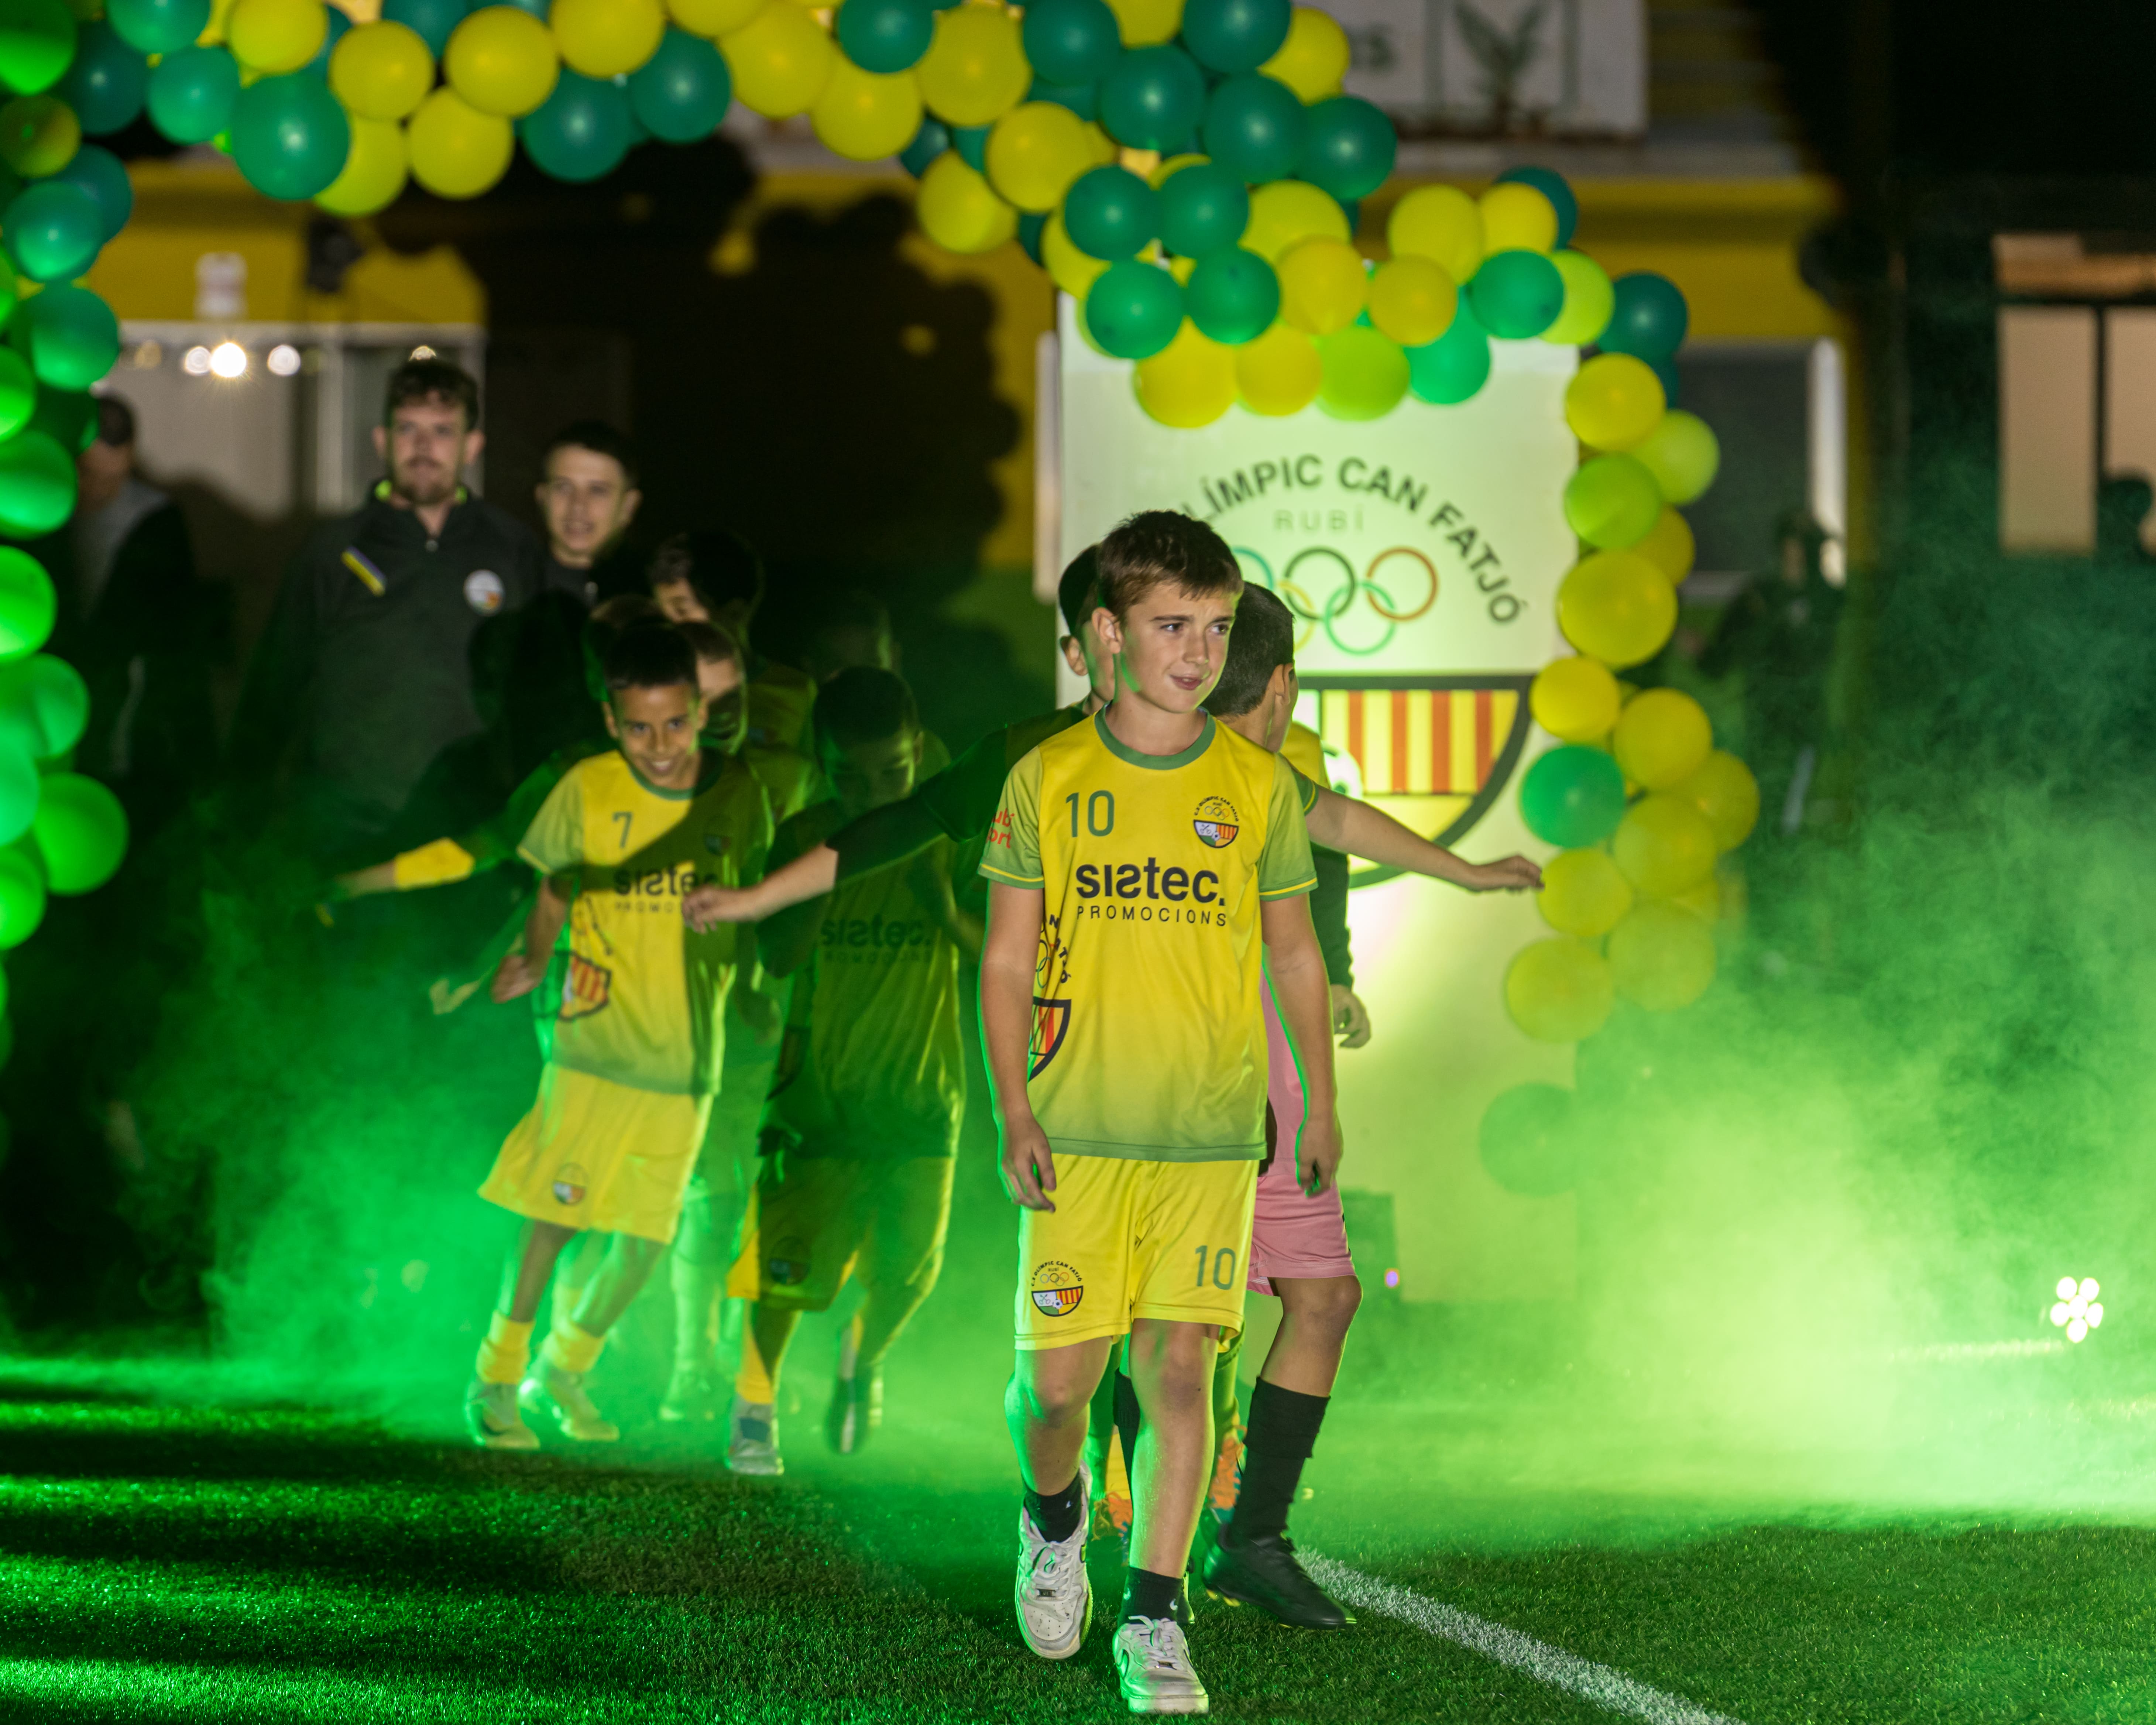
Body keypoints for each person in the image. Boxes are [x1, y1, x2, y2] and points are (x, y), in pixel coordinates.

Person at [1092, 585, 1541, 1629]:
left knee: (1321, 1299)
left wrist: (1463, 872)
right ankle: (1129, 1532)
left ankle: (1246, 1537)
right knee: (1186, 1326)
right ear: (1286, 684)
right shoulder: (1183, 771)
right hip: (1196, 1087)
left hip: (1275, 1084)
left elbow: (1331, 818)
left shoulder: (1265, 777)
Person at [977, 510, 1336, 1717]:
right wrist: (1012, 1108)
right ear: (1108, 633)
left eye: (1215, 627)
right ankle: (1052, 1516)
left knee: (1181, 1367)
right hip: (1076, 1139)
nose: (1195, 650)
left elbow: (1296, 955)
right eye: (1171, 625)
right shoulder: (1050, 780)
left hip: (1208, 1140)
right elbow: (1005, 960)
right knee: (1062, 1390)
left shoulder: (1259, 788)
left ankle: (1154, 1613)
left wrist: (1317, 1107)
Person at [463, 623, 775, 1450]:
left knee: (647, 1237)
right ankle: (494, 1377)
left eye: (675, 723)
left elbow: (743, 901)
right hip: (595, 1054)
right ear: (611, 720)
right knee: (555, 1214)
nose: (660, 744)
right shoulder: (587, 788)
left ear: (701, 711)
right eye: (639, 726)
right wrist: (536, 957)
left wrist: (747, 990)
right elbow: (553, 884)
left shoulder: (738, 793)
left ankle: (563, 1366)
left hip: (688, 1066)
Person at [721, 666, 976, 1475]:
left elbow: (1006, 954)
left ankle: (860, 1356)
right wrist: (828, 878)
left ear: (918, 754)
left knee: (908, 1273)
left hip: (921, 1098)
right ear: (821, 764)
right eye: (850, 777)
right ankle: (753, 1410)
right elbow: (775, 955)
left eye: (893, 774)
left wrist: (939, 905)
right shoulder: (804, 836)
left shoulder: (946, 830)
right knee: (785, 1274)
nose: (874, 793)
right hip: (820, 1100)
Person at [230, 358, 548, 867]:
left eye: (443, 432)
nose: (424, 448)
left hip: (472, 829)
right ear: (382, 441)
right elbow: (273, 691)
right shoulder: (333, 552)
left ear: (472, 446)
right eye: (409, 430)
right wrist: (239, 824)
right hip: (348, 828)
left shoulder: (511, 550)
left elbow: (542, 694)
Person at [61, 394, 216, 839]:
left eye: (113, 478)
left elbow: (179, 643)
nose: (98, 491)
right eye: (89, 474)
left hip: (130, 729)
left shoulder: (155, 521)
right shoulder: (45, 517)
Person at [649, 530, 818, 756]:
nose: (669, 627)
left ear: (735, 613)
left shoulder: (796, 694)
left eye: (681, 611)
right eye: (662, 613)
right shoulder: (652, 692)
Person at [535, 421, 642, 604]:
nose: (578, 506)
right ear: (542, 498)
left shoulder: (654, 600)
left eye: (597, 491)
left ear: (628, 506)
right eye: (564, 487)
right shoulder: (511, 587)